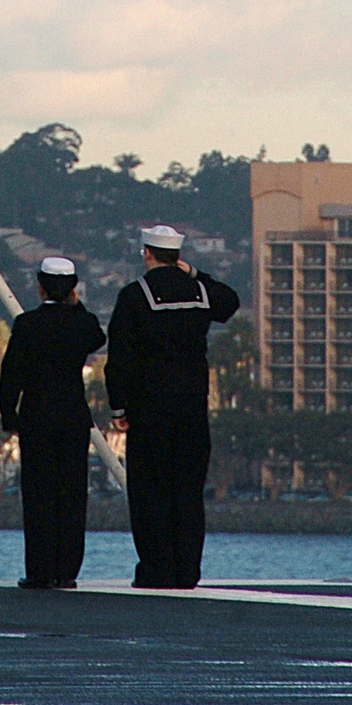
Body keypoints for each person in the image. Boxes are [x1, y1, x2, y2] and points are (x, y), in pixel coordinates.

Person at [105, 224, 239, 590]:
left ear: (147, 253)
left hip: (149, 408)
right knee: (187, 492)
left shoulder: (134, 296)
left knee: (150, 493)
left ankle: (156, 567)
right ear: (177, 256)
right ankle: (187, 569)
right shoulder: (200, 292)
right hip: (192, 407)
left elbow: (119, 357)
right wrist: (195, 274)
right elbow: (230, 302)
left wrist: (118, 408)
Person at [0, 256, 106, 590]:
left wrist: (8, 415)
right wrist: (76, 304)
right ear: (73, 288)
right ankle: (67, 570)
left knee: (38, 494)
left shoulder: (27, 324)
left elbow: (10, 374)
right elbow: (97, 335)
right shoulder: (82, 325)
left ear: (40, 286)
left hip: (36, 415)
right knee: (72, 494)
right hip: (73, 416)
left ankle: (40, 569)